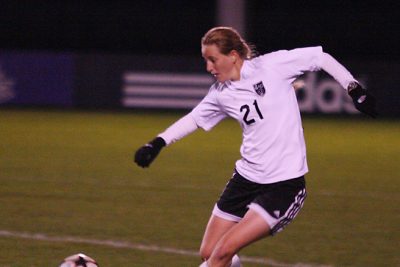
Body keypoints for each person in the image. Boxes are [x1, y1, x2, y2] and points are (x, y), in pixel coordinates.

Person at [134, 26, 377, 267]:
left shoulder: (272, 66)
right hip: (245, 180)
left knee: (222, 253)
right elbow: (194, 119)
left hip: (283, 186)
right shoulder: (221, 93)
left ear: (232, 56)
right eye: (205, 60)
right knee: (209, 252)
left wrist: (353, 88)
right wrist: (157, 143)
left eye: (212, 60)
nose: (208, 67)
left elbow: (319, 57)